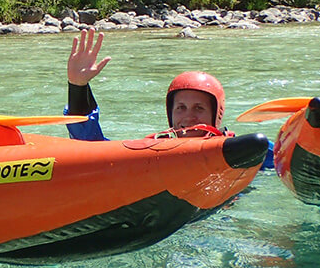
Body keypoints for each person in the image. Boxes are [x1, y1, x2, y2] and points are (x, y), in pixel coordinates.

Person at [64, 28, 275, 167]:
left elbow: (289, 159)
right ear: (170, 113)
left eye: (199, 108)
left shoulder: (243, 150)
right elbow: (92, 146)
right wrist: (78, 86)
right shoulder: (155, 152)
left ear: (216, 114)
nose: (188, 117)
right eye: (180, 108)